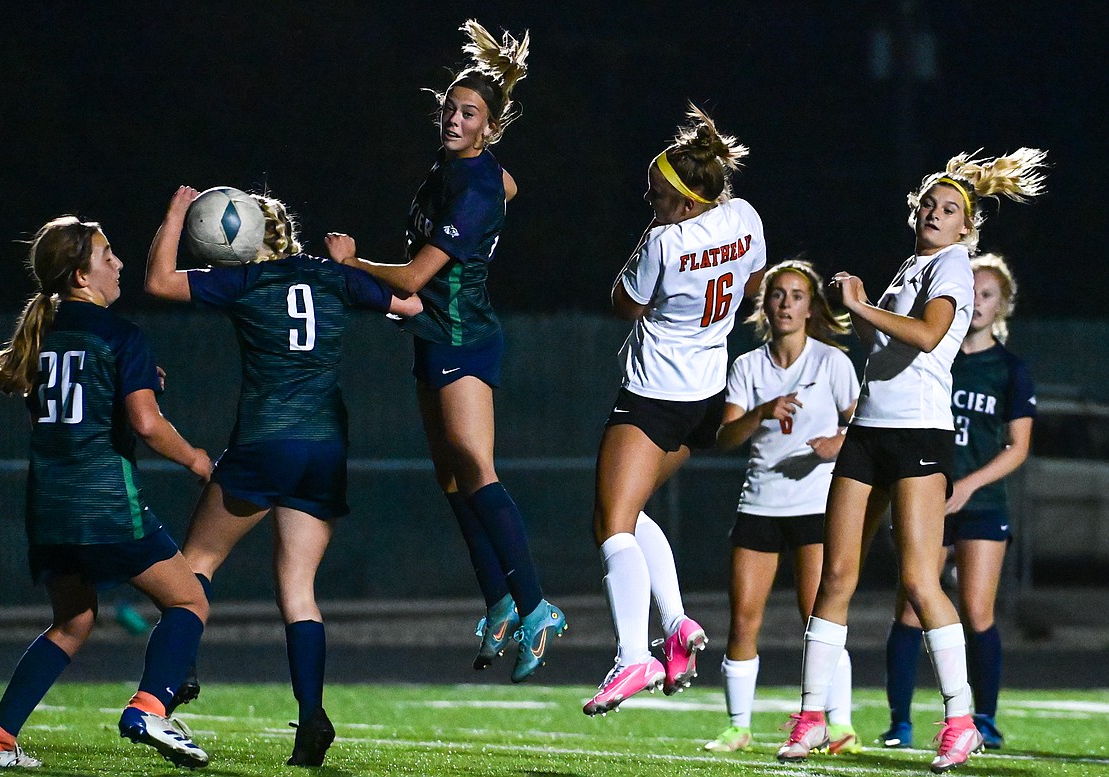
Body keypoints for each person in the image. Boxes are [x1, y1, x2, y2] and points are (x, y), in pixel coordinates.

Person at [775, 148, 1047, 774]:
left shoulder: (952, 266)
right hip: (869, 431)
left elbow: (926, 335)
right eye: (929, 203)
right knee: (835, 576)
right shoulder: (910, 265)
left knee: (922, 583)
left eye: (950, 209)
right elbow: (885, 346)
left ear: (966, 229)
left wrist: (863, 305)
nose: (935, 212)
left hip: (918, 435)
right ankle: (812, 715)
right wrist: (862, 314)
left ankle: (959, 718)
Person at [144, 185, 421, 766]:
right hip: (323, 447)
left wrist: (174, 215)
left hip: (265, 441)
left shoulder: (246, 281)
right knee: (298, 589)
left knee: (195, 565)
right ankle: (313, 715)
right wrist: (354, 266)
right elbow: (411, 306)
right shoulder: (329, 274)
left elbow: (159, 282)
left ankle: (179, 673)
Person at [324, 20, 566, 684]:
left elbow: (409, 278)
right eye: (451, 110)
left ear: (488, 126)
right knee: (453, 479)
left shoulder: (474, 185)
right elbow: (509, 186)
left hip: (464, 335)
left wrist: (352, 261)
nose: (455, 120)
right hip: (435, 336)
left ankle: (537, 605)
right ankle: (499, 600)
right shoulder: (465, 169)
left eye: (469, 114)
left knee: (478, 469)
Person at [0, 216, 213, 769]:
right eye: (108, 256)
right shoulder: (119, 333)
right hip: (103, 499)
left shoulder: (43, 334)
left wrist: (133, 384)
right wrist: (198, 458)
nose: (119, 264)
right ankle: (150, 708)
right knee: (188, 600)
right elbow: (147, 425)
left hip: (48, 505)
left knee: (73, 621)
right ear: (81, 275)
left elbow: (60, 418)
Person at [580, 103, 767, 717]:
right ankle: (680, 626)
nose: (649, 198)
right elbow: (755, 282)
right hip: (707, 395)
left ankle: (635, 652)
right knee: (630, 514)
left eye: (659, 194)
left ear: (689, 203)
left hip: (656, 393)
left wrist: (651, 261)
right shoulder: (743, 214)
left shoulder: (662, 241)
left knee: (610, 523)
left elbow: (623, 305)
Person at [880, 253, 1035, 751]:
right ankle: (899, 722)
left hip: (982, 501)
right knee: (910, 606)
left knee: (976, 609)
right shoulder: (935, 358)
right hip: (928, 495)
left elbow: (1018, 448)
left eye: (989, 294)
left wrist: (967, 486)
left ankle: (983, 717)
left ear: (1003, 304)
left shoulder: (1010, 369)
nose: (979, 301)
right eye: (973, 291)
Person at [706, 259, 861, 753]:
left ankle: (839, 725)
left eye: (797, 295)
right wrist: (761, 411)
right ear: (765, 305)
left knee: (820, 617)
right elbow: (725, 436)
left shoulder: (831, 362)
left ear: (811, 307)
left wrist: (838, 443)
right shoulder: (748, 366)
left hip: (817, 507)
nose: (786, 304)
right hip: (761, 504)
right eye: (778, 295)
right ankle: (737, 726)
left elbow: (863, 425)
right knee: (744, 618)